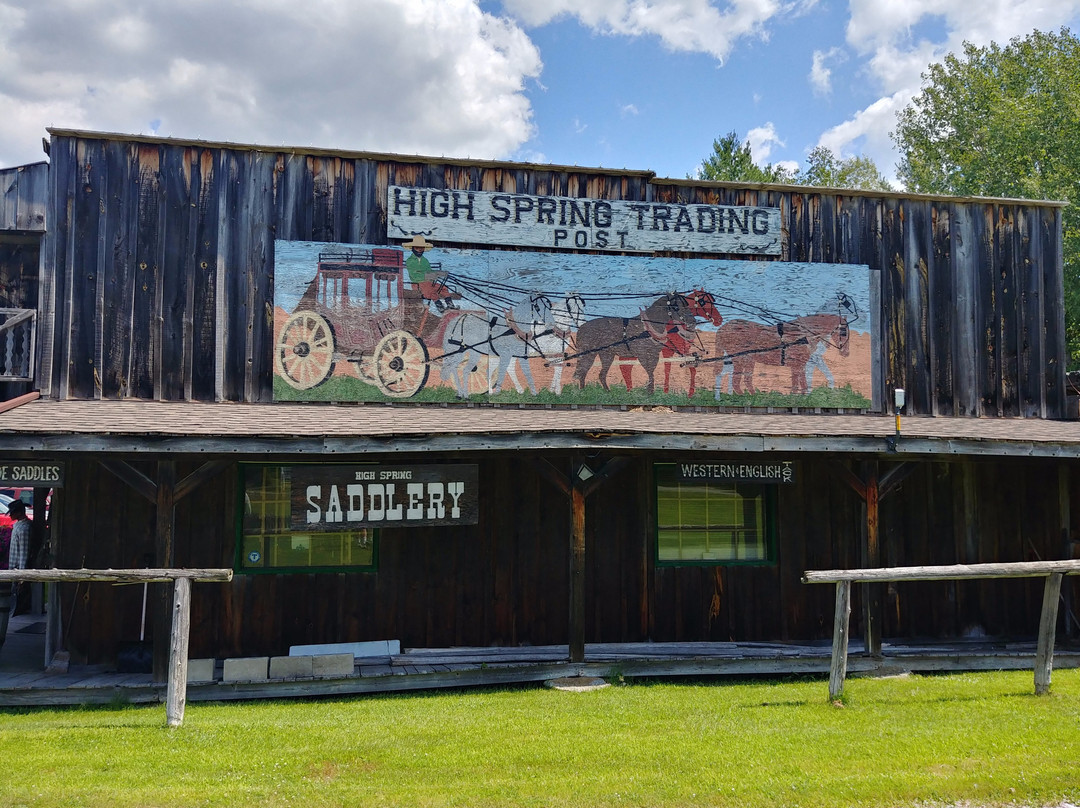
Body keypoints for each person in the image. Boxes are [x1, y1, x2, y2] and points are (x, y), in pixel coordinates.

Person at [402, 235, 456, 311]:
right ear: (413, 248)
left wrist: (440, 273)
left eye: (421, 248)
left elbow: (429, 271)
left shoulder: (425, 260)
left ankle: (450, 305)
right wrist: (430, 275)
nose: (419, 250)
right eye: (417, 248)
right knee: (431, 291)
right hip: (418, 284)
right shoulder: (410, 261)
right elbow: (414, 276)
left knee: (444, 288)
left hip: (428, 282)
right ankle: (440, 307)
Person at [6, 499, 29, 616]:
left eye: (13, 512)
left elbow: (24, 552)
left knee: (17, 597)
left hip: (18, 567)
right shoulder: (17, 526)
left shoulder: (24, 528)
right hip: (13, 565)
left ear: (19, 513)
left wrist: (22, 574)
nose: (10, 515)